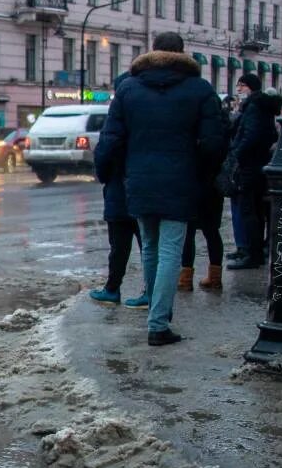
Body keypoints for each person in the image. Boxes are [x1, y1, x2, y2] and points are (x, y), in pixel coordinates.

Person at [95, 32, 227, 346]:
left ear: (152, 52)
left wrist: (106, 173)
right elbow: (214, 143)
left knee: (152, 248)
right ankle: (158, 323)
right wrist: (203, 175)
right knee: (170, 250)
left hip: (138, 180)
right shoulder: (200, 90)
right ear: (183, 54)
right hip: (181, 179)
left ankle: (158, 315)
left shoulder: (128, 89)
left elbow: (110, 140)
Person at [91, 71, 147, 309]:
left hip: (119, 190)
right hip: (145, 190)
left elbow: (104, 151)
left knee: (119, 246)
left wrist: (105, 177)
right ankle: (150, 291)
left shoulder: (117, 118)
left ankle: (112, 289)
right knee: (150, 246)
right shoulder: (148, 116)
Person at [227, 73, 282, 270]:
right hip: (258, 164)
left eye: (242, 85)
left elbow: (250, 135)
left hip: (250, 165)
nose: (239, 89)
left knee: (249, 209)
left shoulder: (254, 107)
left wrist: (237, 153)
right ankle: (253, 250)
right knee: (255, 210)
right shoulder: (260, 106)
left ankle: (252, 253)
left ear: (251, 87)